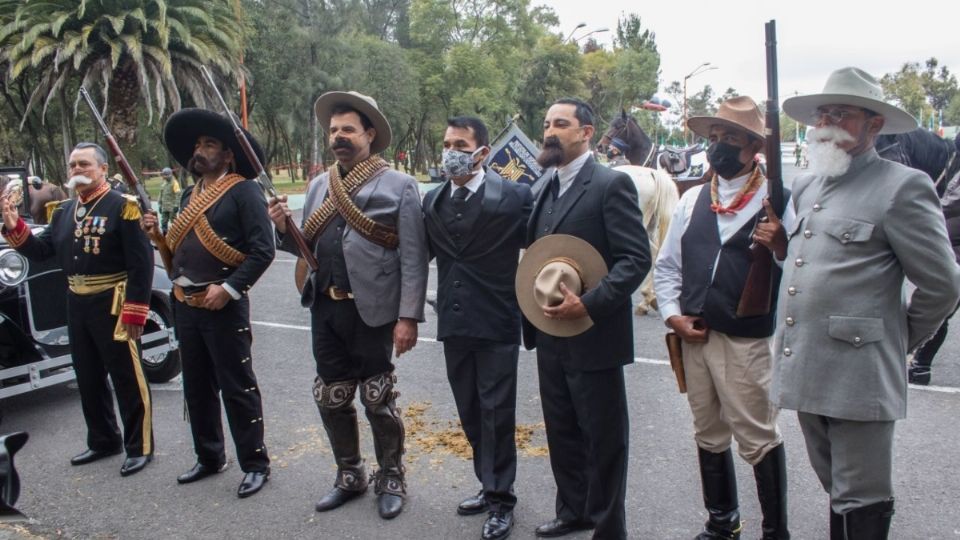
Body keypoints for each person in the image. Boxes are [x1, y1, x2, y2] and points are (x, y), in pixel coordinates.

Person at [757, 67, 960, 538]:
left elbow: (944, 284)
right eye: (821, 113)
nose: (825, 123)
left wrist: (898, 338)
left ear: (875, 125)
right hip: (807, 363)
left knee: (862, 496)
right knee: (835, 489)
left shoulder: (902, 186)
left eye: (841, 114)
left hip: (859, 372)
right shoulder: (810, 184)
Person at [268, 91, 428, 520]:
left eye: (348, 130)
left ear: (369, 134)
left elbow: (413, 256)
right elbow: (304, 247)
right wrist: (283, 227)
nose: (338, 137)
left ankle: (391, 476)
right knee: (332, 396)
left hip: (373, 309)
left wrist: (408, 316)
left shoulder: (400, 185)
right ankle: (349, 474)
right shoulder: (320, 184)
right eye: (333, 130)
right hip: (326, 307)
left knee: (378, 398)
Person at [655, 96, 793, 540]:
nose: (718, 145)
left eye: (729, 137)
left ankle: (775, 531)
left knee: (757, 436)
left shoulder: (780, 200)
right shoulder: (694, 197)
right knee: (708, 431)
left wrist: (780, 246)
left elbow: (800, 272)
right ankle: (721, 521)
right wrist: (673, 316)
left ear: (754, 146)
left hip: (745, 341)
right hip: (695, 334)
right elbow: (668, 267)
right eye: (714, 137)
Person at [521, 97, 649, 539]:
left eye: (560, 124)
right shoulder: (544, 186)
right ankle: (573, 510)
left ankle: (608, 527)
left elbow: (635, 260)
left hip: (595, 335)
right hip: (550, 334)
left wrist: (590, 303)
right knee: (562, 430)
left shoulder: (610, 185)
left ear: (586, 133)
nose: (549, 131)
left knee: (604, 439)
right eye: (546, 123)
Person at [142, 108, 276, 498]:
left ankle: (255, 463)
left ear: (229, 154)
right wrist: (157, 237)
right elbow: (177, 256)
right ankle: (209, 456)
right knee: (196, 387)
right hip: (185, 304)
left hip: (222, 305)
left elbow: (262, 250)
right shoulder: (188, 193)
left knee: (237, 387)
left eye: (209, 144)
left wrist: (230, 289)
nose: (199, 151)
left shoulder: (243, 190)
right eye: (198, 145)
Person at [2, 142, 154, 477]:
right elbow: (42, 252)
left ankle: (139, 446)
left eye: (84, 164)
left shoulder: (123, 208)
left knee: (127, 378)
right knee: (87, 377)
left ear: (102, 169)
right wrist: (14, 225)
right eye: (72, 165)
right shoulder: (62, 211)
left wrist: (136, 311)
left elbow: (141, 265)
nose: (76, 170)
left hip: (113, 302)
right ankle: (103, 440)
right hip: (77, 302)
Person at [422, 116, 532, 540]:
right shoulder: (432, 201)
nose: (451, 151)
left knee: (496, 413)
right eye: (447, 142)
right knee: (470, 411)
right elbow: (415, 257)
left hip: (499, 321)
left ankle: (502, 499)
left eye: (461, 144)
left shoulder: (515, 196)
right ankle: (488, 486)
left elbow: (544, 244)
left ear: (482, 152)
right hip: (454, 323)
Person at [157, 167, 181, 233]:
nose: (165, 176)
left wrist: (176, 205)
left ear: (170, 174)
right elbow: (161, 194)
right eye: (164, 175)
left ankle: (176, 234)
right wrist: (160, 205)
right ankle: (165, 233)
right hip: (164, 206)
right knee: (163, 221)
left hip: (172, 206)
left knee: (174, 221)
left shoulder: (174, 183)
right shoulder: (163, 183)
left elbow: (178, 194)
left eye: (166, 175)